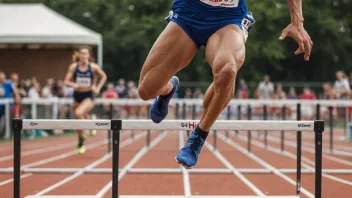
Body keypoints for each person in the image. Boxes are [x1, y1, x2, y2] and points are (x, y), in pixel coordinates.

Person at [137, 0, 312, 168]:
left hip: (228, 18)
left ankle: (198, 136)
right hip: (189, 12)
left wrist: (297, 22)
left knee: (228, 69)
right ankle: (167, 89)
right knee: (146, 90)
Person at [64, 46, 107, 154]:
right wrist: (73, 84)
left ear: (89, 55)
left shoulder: (93, 67)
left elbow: (104, 76)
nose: (83, 56)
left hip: (88, 95)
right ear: (79, 55)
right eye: (81, 53)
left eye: (85, 53)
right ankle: (81, 141)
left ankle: (90, 126)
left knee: (78, 113)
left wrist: (98, 88)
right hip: (77, 95)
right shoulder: (74, 67)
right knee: (78, 121)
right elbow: (66, 81)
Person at [0, 72, 20, 138]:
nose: (2, 80)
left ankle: (6, 135)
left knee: (7, 120)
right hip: (1, 105)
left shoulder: (8, 83)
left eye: (3, 78)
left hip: (8, 105)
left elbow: (15, 92)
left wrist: (17, 99)